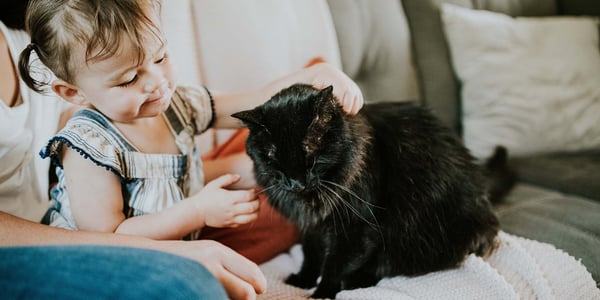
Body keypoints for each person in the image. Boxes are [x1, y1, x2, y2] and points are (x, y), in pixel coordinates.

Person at [0, 0, 362, 299]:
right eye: (129, 78)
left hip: (186, 225)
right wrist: (198, 210)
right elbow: (111, 239)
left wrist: (316, 78)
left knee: (292, 140)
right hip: (121, 255)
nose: (158, 84)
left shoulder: (177, 104)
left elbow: (254, 103)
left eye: (160, 58)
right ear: (73, 93)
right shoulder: (88, 151)